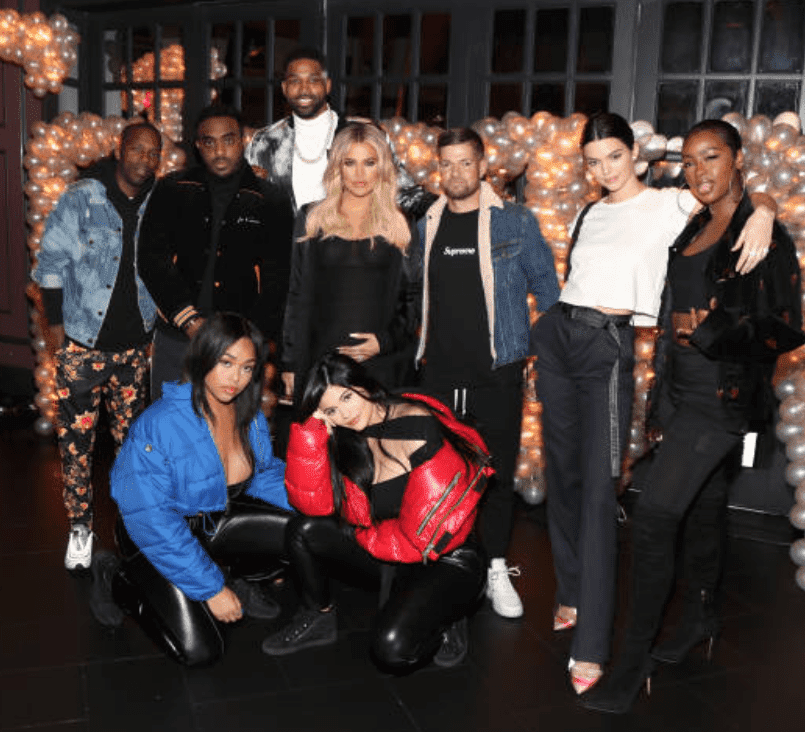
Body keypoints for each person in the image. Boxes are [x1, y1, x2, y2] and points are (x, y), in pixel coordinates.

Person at [530, 112, 778, 694]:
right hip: (559, 336)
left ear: (634, 155)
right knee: (562, 477)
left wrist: (764, 209)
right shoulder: (590, 211)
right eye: (592, 161)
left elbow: (735, 196)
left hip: (605, 348)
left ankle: (592, 644)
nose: (604, 170)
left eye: (614, 156)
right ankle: (570, 592)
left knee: (597, 491)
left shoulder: (671, 203)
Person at [577, 119, 805, 712]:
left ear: (737, 160)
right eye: (690, 160)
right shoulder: (695, 226)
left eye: (712, 157)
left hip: (723, 405)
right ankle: (702, 617)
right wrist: (659, 395)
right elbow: (670, 307)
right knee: (703, 512)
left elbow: (785, 330)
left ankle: (631, 663)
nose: (700, 171)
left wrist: (710, 329)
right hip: (679, 395)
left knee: (653, 516)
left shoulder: (764, 234)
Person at [260, 353, 490, 671]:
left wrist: (363, 535)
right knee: (302, 529)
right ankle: (318, 616)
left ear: (363, 385)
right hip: (387, 543)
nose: (344, 414)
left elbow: (419, 540)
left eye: (347, 397)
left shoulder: (416, 426)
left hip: (443, 553)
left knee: (391, 650)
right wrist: (311, 432)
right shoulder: (347, 435)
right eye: (330, 410)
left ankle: (449, 613)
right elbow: (312, 505)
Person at [414, 128, 560, 619]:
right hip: (438, 374)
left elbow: (548, 289)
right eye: (447, 164)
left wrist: (540, 356)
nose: (456, 173)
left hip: (497, 371)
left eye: (465, 163)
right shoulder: (426, 223)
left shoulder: (514, 221)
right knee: (441, 477)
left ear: (481, 167)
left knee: (494, 476)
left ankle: (496, 567)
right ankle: (448, 565)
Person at [104, 313, 295, 666]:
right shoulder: (159, 425)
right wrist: (211, 589)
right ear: (203, 357)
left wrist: (315, 499)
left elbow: (263, 474)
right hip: (153, 538)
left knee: (303, 528)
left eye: (247, 368)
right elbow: (153, 520)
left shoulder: (246, 413)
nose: (235, 379)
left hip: (212, 525)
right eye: (226, 363)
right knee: (201, 651)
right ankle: (122, 583)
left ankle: (234, 575)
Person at [32, 121, 162, 571]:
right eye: (138, 149)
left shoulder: (158, 201)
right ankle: (81, 527)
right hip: (83, 346)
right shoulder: (82, 197)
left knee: (133, 447)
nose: (145, 159)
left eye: (153, 153)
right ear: (119, 149)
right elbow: (49, 262)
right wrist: (53, 326)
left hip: (134, 350)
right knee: (76, 445)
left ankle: (132, 525)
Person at [139, 104, 293, 400]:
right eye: (209, 142)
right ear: (198, 145)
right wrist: (188, 320)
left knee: (231, 431)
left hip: (238, 341)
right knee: (172, 425)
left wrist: (245, 336)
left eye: (228, 140)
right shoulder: (173, 189)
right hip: (178, 334)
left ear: (242, 140)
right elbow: (151, 258)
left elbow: (278, 277)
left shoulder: (270, 199)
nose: (219, 150)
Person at [280, 122, 420, 404]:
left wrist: (384, 341)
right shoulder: (312, 218)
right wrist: (290, 362)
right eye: (350, 162)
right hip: (321, 360)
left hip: (381, 364)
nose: (359, 174)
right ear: (337, 167)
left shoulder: (399, 223)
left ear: (381, 167)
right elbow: (296, 295)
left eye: (369, 163)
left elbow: (415, 298)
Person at [246, 46, 432, 218]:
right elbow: (251, 202)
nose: (304, 89)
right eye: (295, 81)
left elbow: (402, 193)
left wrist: (446, 209)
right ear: (285, 89)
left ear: (327, 85)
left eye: (313, 80)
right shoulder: (265, 142)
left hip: (352, 248)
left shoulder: (364, 132)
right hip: (289, 251)